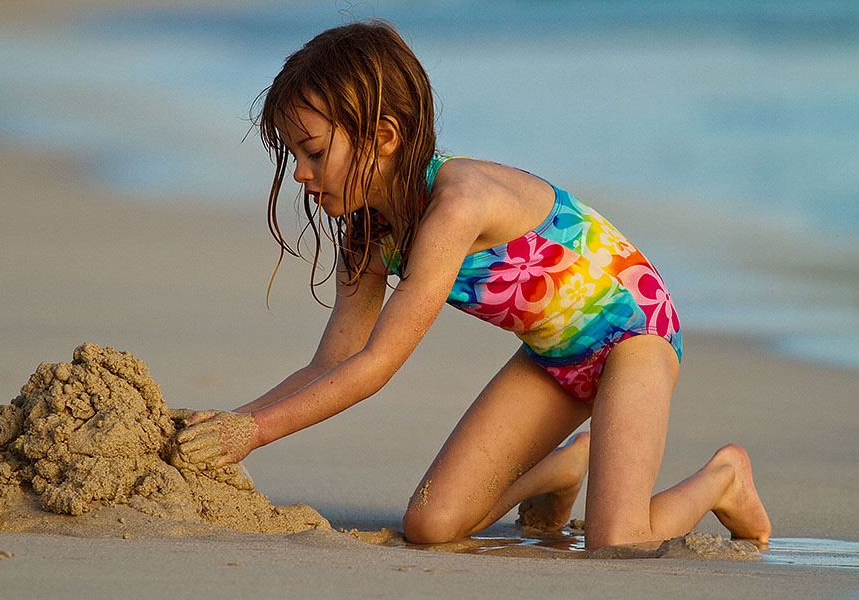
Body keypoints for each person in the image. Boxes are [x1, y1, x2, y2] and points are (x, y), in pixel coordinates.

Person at [176, 20, 771, 549]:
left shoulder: (457, 206)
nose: (301, 174)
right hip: (555, 357)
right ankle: (568, 466)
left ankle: (722, 478)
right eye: (293, 155)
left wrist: (254, 433)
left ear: (384, 135)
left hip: (637, 336)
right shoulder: (368, 230)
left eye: (312, 151)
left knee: (618, 541)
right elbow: (333, 361)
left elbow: (378, 364)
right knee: (431, 527)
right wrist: (228, 421)